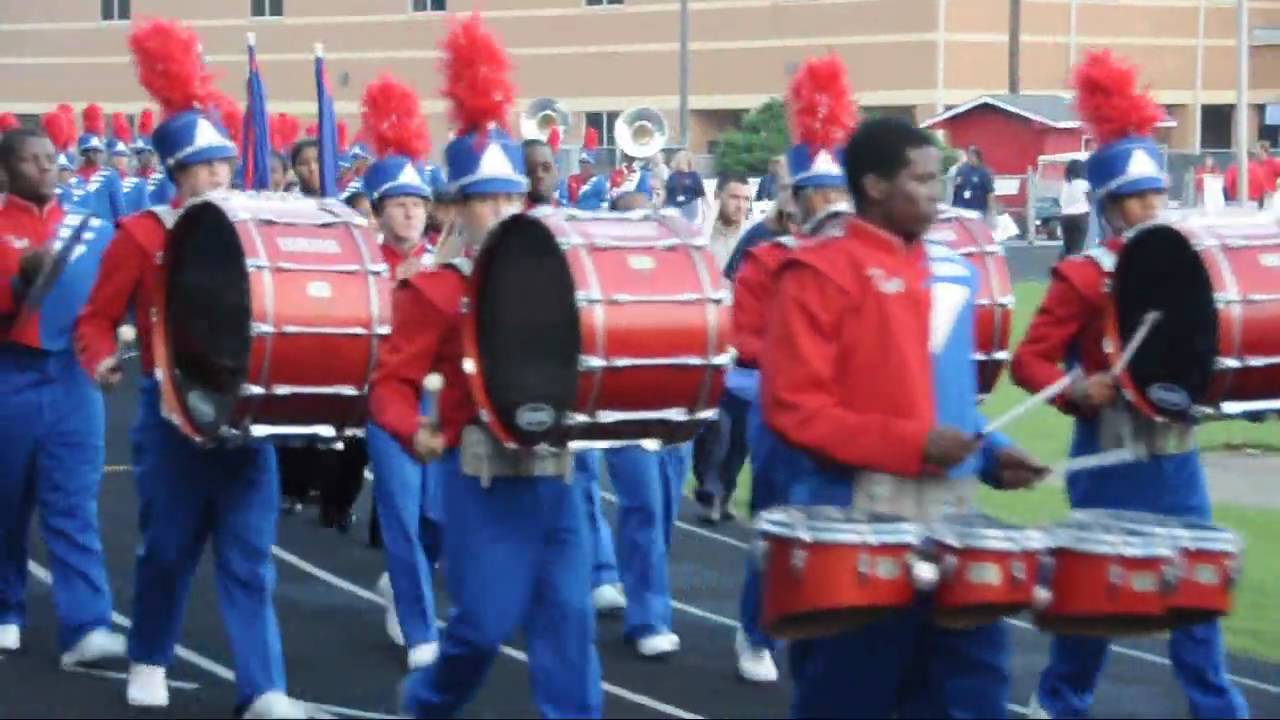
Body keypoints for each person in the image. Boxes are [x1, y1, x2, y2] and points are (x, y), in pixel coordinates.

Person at [761, 113, 1047, 719]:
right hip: (855, 527)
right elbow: (794, 410)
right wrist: (913, 444)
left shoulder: (946, 271)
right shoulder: (817, 273)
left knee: (972, 701)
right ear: (875, 186)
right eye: (921, 179)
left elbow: (948, 400)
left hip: (952, 526)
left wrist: (992, 453)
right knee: (847, 701)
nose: (937, 194)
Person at [74, 19, 305, 717]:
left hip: (246, 416)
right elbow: (93, 318)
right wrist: (100, 360)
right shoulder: (141, 235)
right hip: (169, 416)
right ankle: (149, 655)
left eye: (223, 166)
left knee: (248, 560)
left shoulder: (256, 227)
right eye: (203, 169)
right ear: (175, 175)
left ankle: (262, 687)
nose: (216, 178)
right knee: (168, 550)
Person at [372, 14, 600, 718]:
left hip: (555, 478)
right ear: (455, 209)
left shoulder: (562, 281)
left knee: (569, 625)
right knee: (480, 629)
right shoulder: (432, 292)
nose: (502, 210)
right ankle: (427, 704)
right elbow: (390, 386)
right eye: (485, 199)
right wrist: (418, 433)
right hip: (480, 485)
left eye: (511, 197)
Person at [1011, 49, 1248, 720]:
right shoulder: (1084, 276)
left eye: (1154, 194)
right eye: (1132, 198)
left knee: (1196, 605)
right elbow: (1028, 362)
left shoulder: (1190, 268)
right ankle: (1058, 702)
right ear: (1107, 206)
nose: (1147, 207)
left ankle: (1219, 711)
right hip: (1108, 464)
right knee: (1095, 607)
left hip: (1177, 467)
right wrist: (1074, 388)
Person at [728, 53, 858, 684]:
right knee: (776, 534)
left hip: (848, 422)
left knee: (846, 535)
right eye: (820, 194)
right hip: (782, 417)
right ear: (797, 199)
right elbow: (745, 340)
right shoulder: (766, 260)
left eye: (839, 193)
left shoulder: (865, 260)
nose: (830, 204)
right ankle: (755, 631)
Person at [0, 125, 126, 667]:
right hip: (11, 372)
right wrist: (17, 288)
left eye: (52, 157)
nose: (48, 167)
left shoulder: (92, 228)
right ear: (7, 172)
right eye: (33, 160)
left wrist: (106, 351)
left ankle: (86, 625)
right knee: (6, 502)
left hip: (74, 377)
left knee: (73, 503)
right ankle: (6, 607)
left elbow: (111, 301)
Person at [357, 74, 444, 671]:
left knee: (441, 518)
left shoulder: (445, 262)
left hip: (444, 404)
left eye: (417, 204)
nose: (411, 213)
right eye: (399, 205)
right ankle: (420, 629)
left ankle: (401, 581)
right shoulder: (361, 265)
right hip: (388, 402)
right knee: (402, 513)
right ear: (380, 211)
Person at [690, 172, 752, 523]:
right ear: (718, 197)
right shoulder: (701, 237)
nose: (740, 205)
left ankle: (723, 492)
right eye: (734, 197)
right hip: (709, 341)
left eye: (745, 199)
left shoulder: (753, 235)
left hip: (743, 344)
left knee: (741, 431)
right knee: (716, 424)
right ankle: (709, 486)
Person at [665, 149, 707, 226]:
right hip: (673, 207)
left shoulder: (694, 175)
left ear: (687, 161)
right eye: (679, 160)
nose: (680, 163)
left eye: (682, 160)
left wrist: (705, 210)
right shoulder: (672, 176)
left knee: (685, 227)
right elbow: (667, 192)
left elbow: (701, 193)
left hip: (689, 207)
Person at [1058, 158, 1090, 257]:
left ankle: (1064, 265)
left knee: (1068, 246)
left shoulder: (1065, 185)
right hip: (1081, 216)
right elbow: (1091, 199)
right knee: (1078, 247)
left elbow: (1061, 201)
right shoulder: (1085, 184)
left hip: (1065, 217)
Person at [951, 145, 995, 217]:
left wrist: (990, 211)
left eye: (971, 155)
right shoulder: (962, 169)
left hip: (978, 211)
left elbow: (990, 193)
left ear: (977, 157)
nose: (969, 157)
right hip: (961, 209)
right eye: (968, 154)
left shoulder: (984, 172)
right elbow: (956, 186)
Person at [522, 138, 559, 207]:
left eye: (546, 168)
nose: (539, 175)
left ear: (557, 172)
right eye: (531, 169)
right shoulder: (507, 215)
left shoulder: (569, 214)